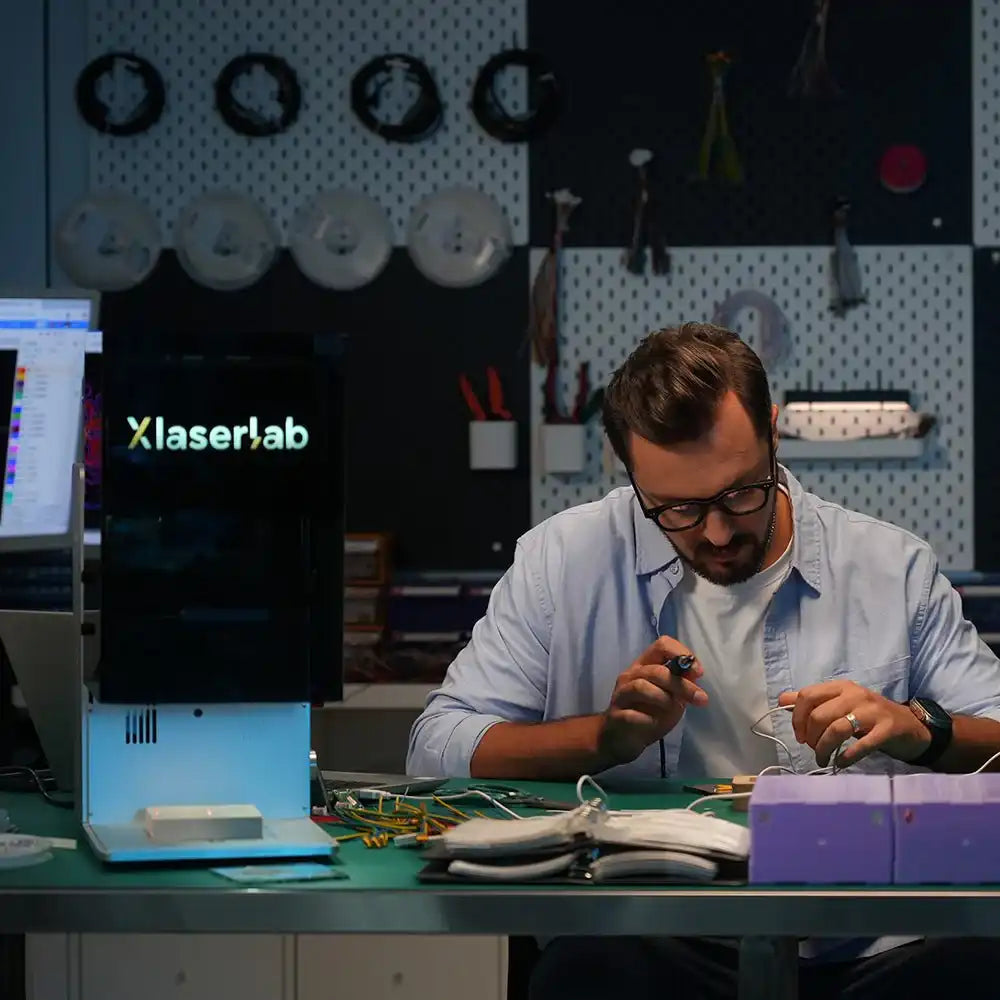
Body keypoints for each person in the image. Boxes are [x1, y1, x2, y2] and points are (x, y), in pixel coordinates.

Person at [407, 323, 1000, 998]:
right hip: (652, 937)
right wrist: (603, 739)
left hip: (862, 948)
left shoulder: (890, 568)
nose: (716, 533)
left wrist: (921, 729)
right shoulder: (562, 561)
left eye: (739, 494)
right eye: (678, 509)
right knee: (585, 975)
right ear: (628, 473)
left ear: (772, 433)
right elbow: (436, 749)